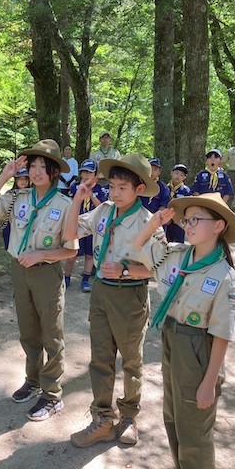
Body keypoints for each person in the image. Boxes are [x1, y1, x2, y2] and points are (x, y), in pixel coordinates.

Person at [133, 192, 235, 469]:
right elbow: (140, 247)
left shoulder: (223, 277)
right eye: (186, 220)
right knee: (172, 417)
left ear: (218, 226)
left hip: (197, 348)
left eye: (196, 219)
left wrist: (209, 383)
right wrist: (154, 222)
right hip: (171, 338)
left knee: (194, 428)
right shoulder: (177, 255)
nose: (188, 225)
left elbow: (221, 335)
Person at [65, 154, 162, 448]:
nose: (115, 192)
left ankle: (130, 417)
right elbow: (70, 234)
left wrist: (125, 269)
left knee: (131, 361)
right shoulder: (103, 210)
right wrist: (77, 200)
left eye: (123, 187)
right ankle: (103, 420)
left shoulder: (148, 223)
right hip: (101, 292)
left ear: (139, 189)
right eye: (112, 186)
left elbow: (158, 268)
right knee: (101, 358)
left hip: (130, 295)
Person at [0, 140, 78, 422]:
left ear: (54, 172)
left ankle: (52, 394)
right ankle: (32, 380)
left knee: (51, 333)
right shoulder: (18, 198)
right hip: (19, 271)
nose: (35, 172)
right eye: (32, 165)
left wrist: (42, 255)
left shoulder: (64, 204)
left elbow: (71, 249)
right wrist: (5, 175)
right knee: (28, 330)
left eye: (42, 167)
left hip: (46, 273)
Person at [63, 159, 108, 292]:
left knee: (90, 255)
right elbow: (69, 205)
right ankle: (66, 278)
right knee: (71, 254)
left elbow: (102, 208)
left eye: (89, 172)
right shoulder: (75, 186)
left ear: (96, 174)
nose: (86, 175)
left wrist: (91, 195)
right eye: (84, 172)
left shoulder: (102, 189)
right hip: (77, 224)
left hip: (93, 226)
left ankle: (85, 279)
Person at [0, 168, 30, 250]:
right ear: (16, 180)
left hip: (25, 226)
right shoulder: (10, 194)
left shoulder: (32, 194)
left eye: (26, 179)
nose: (23, 181)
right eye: (20, 179)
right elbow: (0, 210)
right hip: (10, 225)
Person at [166, 163, 192, 243]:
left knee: (179, 243)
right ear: (171, 173)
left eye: (181, 175)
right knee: (166, 241)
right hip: (166, 219)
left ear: (184, 177)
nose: (178, 176)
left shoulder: (186, 190)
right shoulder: (165, 188)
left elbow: (188, 205)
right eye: (176, 173)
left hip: (179, 221)